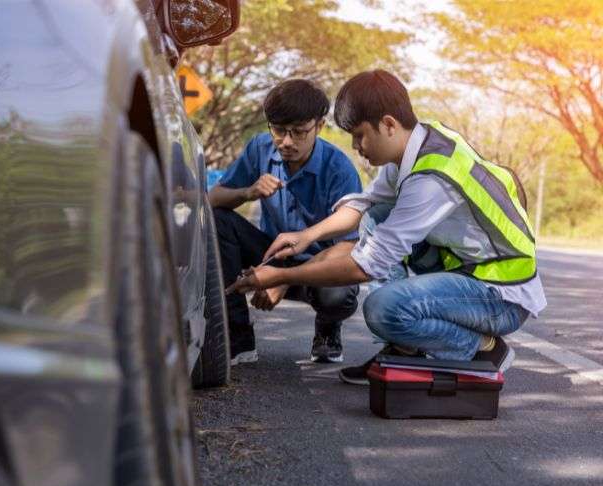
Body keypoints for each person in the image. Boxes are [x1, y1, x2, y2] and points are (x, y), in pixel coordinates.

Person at [227, 69, 547, 384]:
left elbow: (365, 266)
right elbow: (363, 204)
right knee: (376, 214)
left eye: (359, 135)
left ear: (389, 125)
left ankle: (483, 347)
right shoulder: (419, 143)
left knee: (383, 309)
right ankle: (403, 348)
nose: (355, 146)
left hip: (500, 296)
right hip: (468, 273)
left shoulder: (430, 178)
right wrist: (305, 236)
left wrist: (281, 275)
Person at [209, 79, 363, 365]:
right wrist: (247, 192)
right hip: (273, 256)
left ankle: (328, 328)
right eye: (279, 130)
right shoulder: (260, 148)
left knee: (337, 296)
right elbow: (213, 198)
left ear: (318, 125)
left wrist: (283, 280)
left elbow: (350, 247)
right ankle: (238, 337)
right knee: (218, 221)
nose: (287, 141)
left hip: (321, 267)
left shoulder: (339, 168)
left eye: (298, 132)